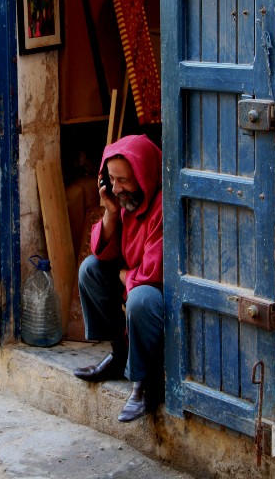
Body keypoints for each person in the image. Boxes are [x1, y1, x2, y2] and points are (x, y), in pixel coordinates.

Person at [73, 134, 164, 423]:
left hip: (156, 296)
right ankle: (118, 354)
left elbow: (153, 272)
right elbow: (101, 252)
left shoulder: (162, 206)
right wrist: (110, 212)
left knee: (140, 298)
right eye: (111, 180)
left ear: (143, 174)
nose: (116, 188)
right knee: (90, 270)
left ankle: (145, 382)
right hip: (133, 280)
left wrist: (126, 276)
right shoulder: (123, 203)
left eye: (123, 180)